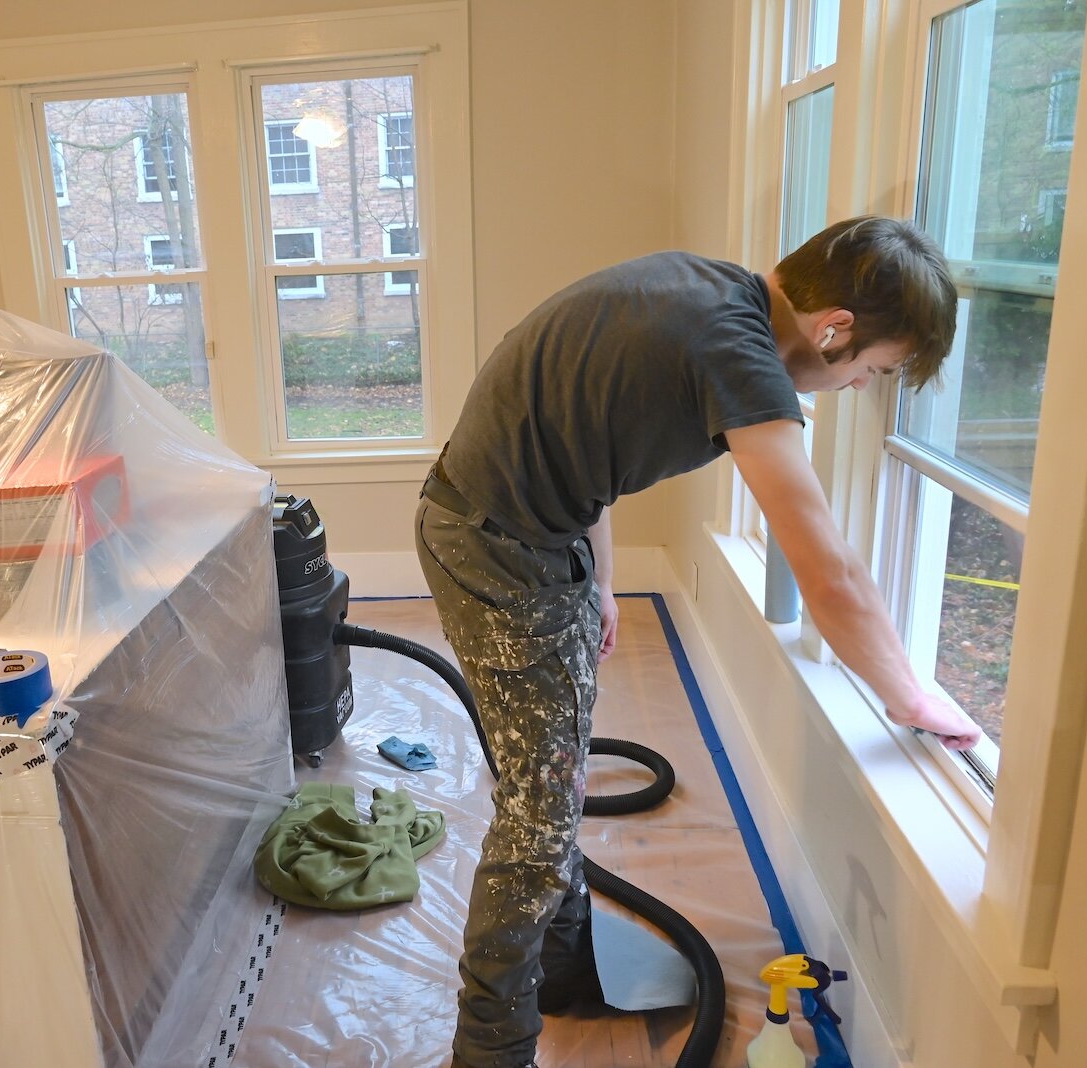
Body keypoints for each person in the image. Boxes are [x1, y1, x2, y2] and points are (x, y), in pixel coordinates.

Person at [414, 216, 983, 1068]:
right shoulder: (741, 357)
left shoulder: (702, 288)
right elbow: (826, 568)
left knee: (553, 771)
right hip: (496, 546)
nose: (866, 385)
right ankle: (488, 1049)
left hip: (513, 525)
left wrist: (600, 579)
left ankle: (566, 972)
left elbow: (579, 431)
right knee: (537, 817)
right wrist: (909, 694)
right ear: (835, 330)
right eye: (878, 367)